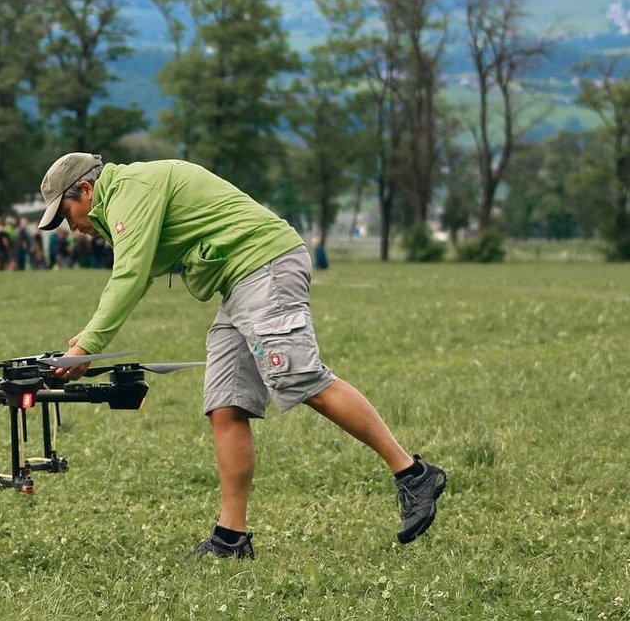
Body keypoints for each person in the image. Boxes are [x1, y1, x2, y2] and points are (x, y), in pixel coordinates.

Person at [37, 152, 446, 559]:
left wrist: (86, 346)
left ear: (87, 189)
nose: (71, 228)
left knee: (299, 378)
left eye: (67, 213)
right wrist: (88, 340)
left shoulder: (131, 190)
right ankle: (231, 538)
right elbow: (137, 272)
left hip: (264, 266)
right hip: (238, 283)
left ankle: (414, 474)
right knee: (226, 404)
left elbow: (129, 276)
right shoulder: (124, 198)